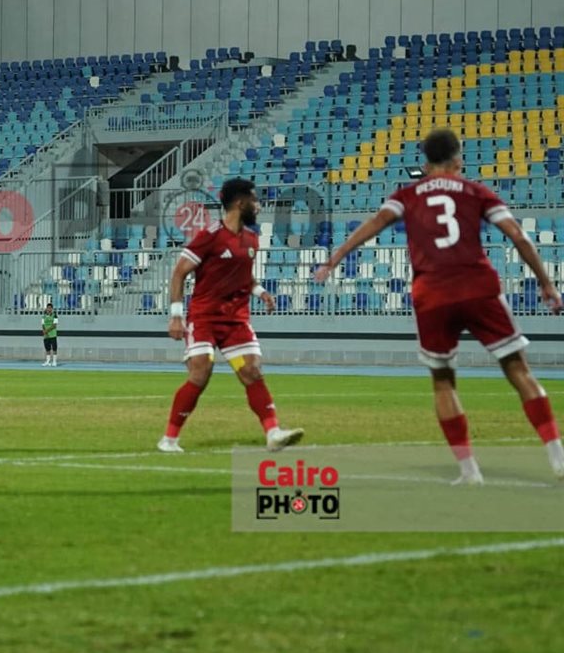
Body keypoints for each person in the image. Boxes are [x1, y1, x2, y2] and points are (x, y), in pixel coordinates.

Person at [316, 129, 563, 485]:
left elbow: (372, 225)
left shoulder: (407, 195)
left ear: (425, 161)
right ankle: (557, 458)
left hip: (432, 293)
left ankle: (469, 472)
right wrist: (546, 283)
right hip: (478, 286)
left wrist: (333, 260)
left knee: (443, 381)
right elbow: (518, 235)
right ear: (459, 158)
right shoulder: (477, 191)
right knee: (518, 369)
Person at [159, 178, 304, 453]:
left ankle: (273, 432)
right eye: (254, 200)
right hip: (204, 317)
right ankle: (169, 439)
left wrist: (260, 291)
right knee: (201, 373)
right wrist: (176, 315)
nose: (258, 206)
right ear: (240, 203)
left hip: (236, 319)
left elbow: (242, 275)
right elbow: (179, 271)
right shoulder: (209, 236)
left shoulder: (251, 239)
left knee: (251, 370)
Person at [41, 302, 59, 366]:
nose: (49, 309)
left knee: (54, 348)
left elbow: (54, 325)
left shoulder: (55, 315)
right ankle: (48, 361)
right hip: (46, 335)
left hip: (53, 334)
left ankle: (54, 361)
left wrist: (47, 330)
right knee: (47, 348)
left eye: (50, 308)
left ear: (52, 309)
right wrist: (44, 331)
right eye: (48, 308)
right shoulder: (44, 316)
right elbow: (43, 324)